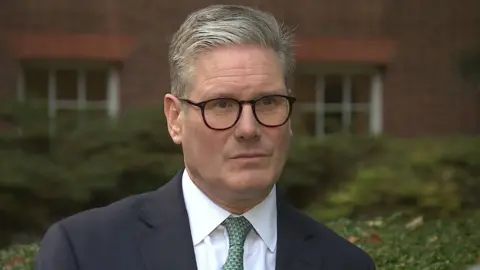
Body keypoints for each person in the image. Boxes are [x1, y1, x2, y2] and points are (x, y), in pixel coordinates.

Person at [35, 4, 376, 270]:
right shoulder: (83, 251)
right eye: (222, 105)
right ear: (175, 119)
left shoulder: (345, 263)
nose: (247, 128)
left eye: (268, 102)